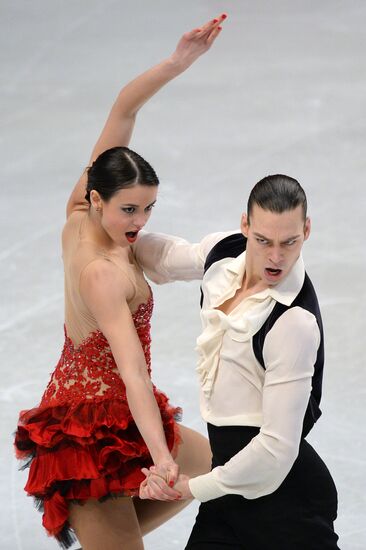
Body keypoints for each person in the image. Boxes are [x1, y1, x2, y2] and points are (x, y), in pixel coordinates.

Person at [13, 14, 228, 550]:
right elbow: (133, 372)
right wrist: (160, 460)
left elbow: (124, 109)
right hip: (88, 434)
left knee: (214, 472)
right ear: (98, 198)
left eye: (149, 209)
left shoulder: (77, 213)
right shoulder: (103, 273)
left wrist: (179, 62)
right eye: (129, 209)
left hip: (118, 415)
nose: (139, 222)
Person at [139, 175, 340, 549]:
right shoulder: (227, 251)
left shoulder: (293, 322)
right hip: (230, 491)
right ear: (245, 225)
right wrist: (118, 234)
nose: (276, 257)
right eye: (263, 241)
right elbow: (166, 258)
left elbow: (276, 451)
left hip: (286, 503)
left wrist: (192, 487)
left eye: (289, 242)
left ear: (306, 230)